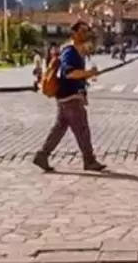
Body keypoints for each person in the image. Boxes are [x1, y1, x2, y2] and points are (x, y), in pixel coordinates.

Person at [33, 21, 106, 173]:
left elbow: (76, 76)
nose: (85, 34)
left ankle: (42, 155)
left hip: (67, 97)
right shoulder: (70, 52)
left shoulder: (78, 52)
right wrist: (89, 73)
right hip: (69, 97)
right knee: (82, 129)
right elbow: (69, 73)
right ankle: (89, 160)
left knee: (59, 128)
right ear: (74, 34)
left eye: (86, 31)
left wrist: (83, 92)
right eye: (82, 31)